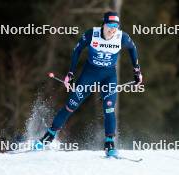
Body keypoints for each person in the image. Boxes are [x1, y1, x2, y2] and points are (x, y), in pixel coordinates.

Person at [36, 11, 143, 156]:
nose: (112, 29)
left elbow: (132, 48)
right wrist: (71, 73)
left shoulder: (121, 37)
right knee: (71, 105)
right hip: (89, 74)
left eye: (116, 26)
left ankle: (109, 143)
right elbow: (77, 50)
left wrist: (137, 71)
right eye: (110, 25)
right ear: (103, 24)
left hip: (108, 76)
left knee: (109, 108)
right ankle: (49, 135)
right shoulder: (92, 34)